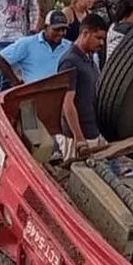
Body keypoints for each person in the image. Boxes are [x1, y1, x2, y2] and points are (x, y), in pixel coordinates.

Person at [55, 14, 109, 160]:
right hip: (76, 139)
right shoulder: (70, 62)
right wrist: (79, 138)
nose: (102, 43)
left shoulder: (89, 58)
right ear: (85, 33)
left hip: (93, 133)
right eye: (98, 38)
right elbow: (67, 103)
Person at [0, 10, 73, 88]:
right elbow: (1, 58)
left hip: (60, 93)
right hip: (33, 94)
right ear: (46, 27)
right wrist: (15, 83)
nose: (61, 33)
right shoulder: (28, 43)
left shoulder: (69, 47)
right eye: (56, 29)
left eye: (63, 29)